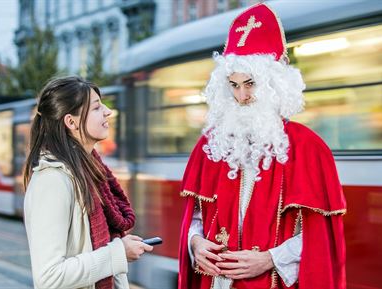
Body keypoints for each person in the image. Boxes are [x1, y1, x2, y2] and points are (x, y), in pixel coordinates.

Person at [178, 3, 346, 289]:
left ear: (274, 84)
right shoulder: (211, 145)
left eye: (250, 83)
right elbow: (195, 216)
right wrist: (195, 243)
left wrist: (271, 258)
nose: (241, 96)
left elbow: (322, 239)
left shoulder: (309, 147)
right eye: (233, 85)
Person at [23, 76, 153, 289]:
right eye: (96, 107)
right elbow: (49, 277)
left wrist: (117, 252)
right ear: (71, 122)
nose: (107, 112)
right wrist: (118, 253)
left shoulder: (89, 172)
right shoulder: (52, 181)